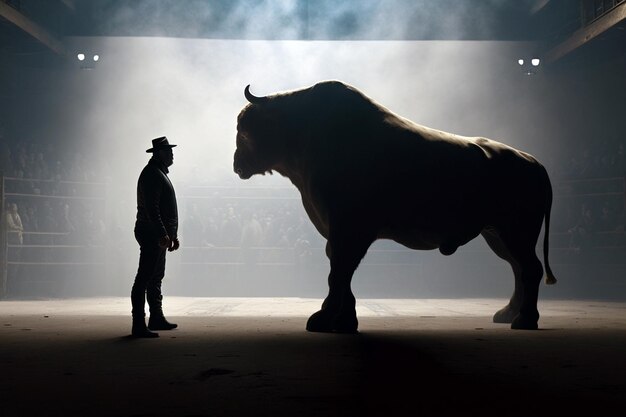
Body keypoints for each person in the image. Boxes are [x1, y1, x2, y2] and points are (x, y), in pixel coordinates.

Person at [130, 136, 180, 338]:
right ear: (159, 154)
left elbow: (159, 209)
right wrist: (163, 233)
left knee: (154, 276)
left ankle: (155, 318)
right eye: (168, 151)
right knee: (145, 277)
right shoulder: (153, 174)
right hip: (151, 233)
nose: (172, 154)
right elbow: (153, 209)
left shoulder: (156, 173)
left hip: (155, 233)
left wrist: (170, 234)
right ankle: (139, 323)